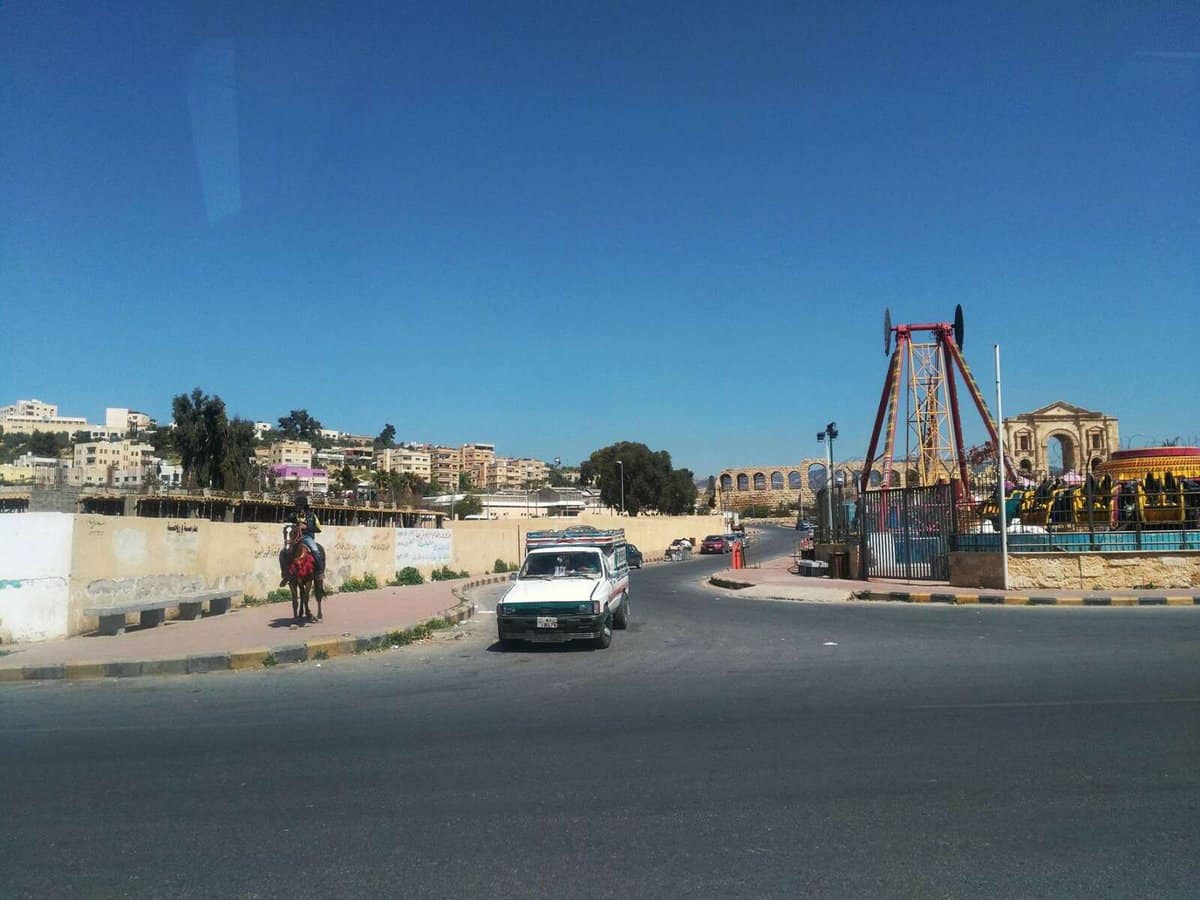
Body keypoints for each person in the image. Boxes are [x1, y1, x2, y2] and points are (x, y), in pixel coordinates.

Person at [281, 494, 323, 586]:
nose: (297, 509)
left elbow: (318, 529)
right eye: (296, 507)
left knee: (315, 550)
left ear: (303, 507)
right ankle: (285, 574)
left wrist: (306, 527)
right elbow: (287, 520)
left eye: (299, 507)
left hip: (307, 537)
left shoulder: (312, 516)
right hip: (296, 537)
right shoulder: (294, 515)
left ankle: (319, 572)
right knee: (283, 552)